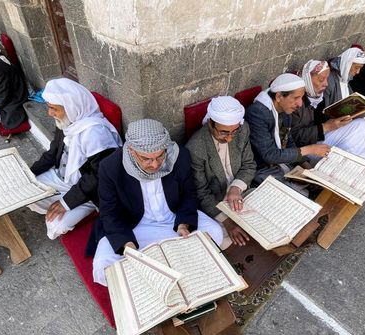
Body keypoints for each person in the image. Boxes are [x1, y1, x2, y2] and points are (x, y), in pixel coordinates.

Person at [88, 119, 224, 286]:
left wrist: (183, 224)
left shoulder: (179, 156)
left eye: (160, 156)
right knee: (103, 265)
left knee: (215, 232)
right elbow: (109, 213)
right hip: (136, 226)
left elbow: (189, 195)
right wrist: (128, 245)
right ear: (131, 150)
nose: (155, 164)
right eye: (146, 159)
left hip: (173, 219)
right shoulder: (110, 167)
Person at [28, 79, 122, 240]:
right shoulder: (68, 121)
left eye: (53, 108)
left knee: (57, 226)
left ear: (71, 107)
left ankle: (86, 208)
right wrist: (27, 174)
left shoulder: (96, 134)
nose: (49, 113)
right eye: (49, 107)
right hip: (61, 178)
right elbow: (51, 154)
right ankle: (55, 200)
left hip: (90, 191)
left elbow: (98, 177)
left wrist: (66, 203)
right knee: (26, 194)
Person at [185, 96, 256, 248]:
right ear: (210, 123)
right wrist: (227, 222)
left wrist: (235, 188)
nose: (230, 138)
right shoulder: (196, 148)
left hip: (240, 192)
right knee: (221, 240)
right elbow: (201, 193)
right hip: (217, 202)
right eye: (224, 133)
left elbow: (249, 165)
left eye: (233, 132)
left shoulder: (242, 130)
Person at [246, 73, 330, 194]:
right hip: (262, 168)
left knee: (320, 179)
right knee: (300, 193)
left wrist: (306, 165)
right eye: (296, 98)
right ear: (279, 96)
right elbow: (270, 155)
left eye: (301, 97)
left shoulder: (284, 110)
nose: (300, 104)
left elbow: (288, 141)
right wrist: (310, 149)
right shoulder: (257, 114)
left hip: (282, 164)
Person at [289, 60, 365, 161]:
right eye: (321, 80)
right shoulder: (297, 102)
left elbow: (323, 118)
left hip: (320, 138)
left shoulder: (318, 97)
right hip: (308, 149)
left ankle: (351, 164)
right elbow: (294, 138)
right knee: (360, 125)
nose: (326, 84)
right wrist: (326, 127)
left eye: (326, 79)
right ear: (307, 79)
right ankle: (343, 164)